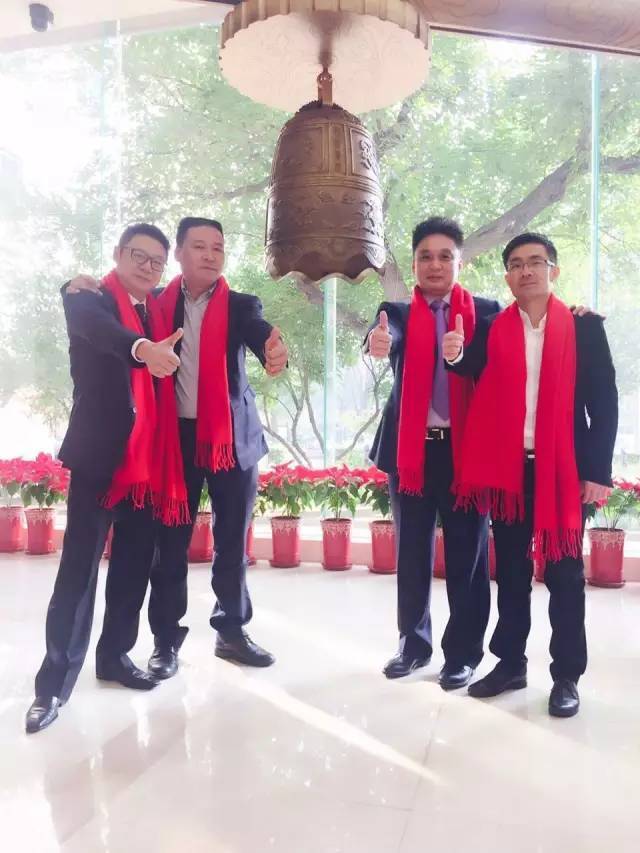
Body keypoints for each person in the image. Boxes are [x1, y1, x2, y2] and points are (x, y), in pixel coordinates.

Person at [443, 232, 618, 717]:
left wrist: (598, 471)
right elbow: (467, 366)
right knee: (512, 573)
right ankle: (510, 664)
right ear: (508, 277)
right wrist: (454, 353)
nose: (526, 271)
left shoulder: (583, 327)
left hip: (565, 472)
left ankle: (566, 676)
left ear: (552, 271)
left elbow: (604, 402)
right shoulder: (494, 327)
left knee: (565, 575)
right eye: (516, 264)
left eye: (535, 262)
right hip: (511, 472)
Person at [26, 223, 186, 734]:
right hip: (101, 456)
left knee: (134, 565)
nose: (148, 267)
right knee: (79, 569)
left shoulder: (159, 309)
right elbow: (103, 334)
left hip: (149, 462)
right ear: (118, 254)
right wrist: (144, 349)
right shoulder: (87, 299)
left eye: (157, 261)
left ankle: (115, 656)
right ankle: (52, 686)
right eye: (139, 255)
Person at [146, 217, 288, 676]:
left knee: (231, 543)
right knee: (170, 543)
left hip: (230, 440)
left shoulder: (241, 304)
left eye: (218, 247)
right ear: (179, 254)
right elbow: (117, 318)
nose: (210, 255)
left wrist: (272, 349)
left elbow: (259, 331)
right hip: (175, 440)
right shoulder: (156, 304)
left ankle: (231, 632)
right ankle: (165, 641)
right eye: (199, 246)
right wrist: (76, 287)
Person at [366, 217, 499, 690]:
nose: (435, 264)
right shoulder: (397, 313)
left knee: (468, 558)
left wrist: (461, 354)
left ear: (461, 263)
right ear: (415, 264)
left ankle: (462, 654)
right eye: (426, 256)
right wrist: (378, 341)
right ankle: (413, 645)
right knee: (411, 553)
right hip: (412, 455)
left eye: (445, 256)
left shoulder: (486, 313)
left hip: (466, 455)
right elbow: (385, 337)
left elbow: (501, 358)